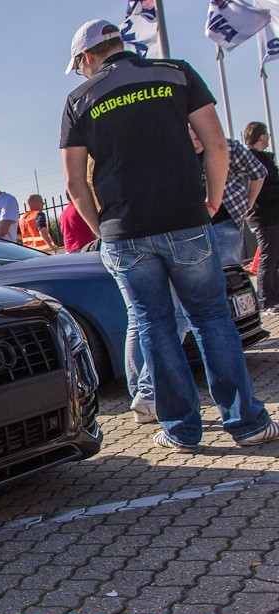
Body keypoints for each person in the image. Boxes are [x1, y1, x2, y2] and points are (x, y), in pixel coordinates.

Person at [60, 18, 279, 449]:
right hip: (186, 220)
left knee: (154, 327)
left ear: (86, 57)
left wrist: (101, 229)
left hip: (125, 232)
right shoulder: (175, 72)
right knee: (211, 319)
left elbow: (74, 182)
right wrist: (211, 202)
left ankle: (180, 430)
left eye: (79, 66)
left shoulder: (79, 99)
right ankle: (248, 425)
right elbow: (217, 144)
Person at [188, 127, 266, 267]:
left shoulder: (227, 147)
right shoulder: (181, 154)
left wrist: (248, 204)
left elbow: (259, 172)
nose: (195, 144)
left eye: (198, 138)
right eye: (190, 140)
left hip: (225, 220)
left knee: (228, 271)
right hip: (196, 226)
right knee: (201, 273)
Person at [245, 121, 279, 313]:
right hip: (263, 216)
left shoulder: (264, 158)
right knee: (268, 257)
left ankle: (274, 297)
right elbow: (258, 192)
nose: (269, 138)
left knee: (274, 257)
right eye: (267, 134)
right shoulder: (252, 159)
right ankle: (266, 300)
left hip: (272, 215)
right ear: (260, 136)